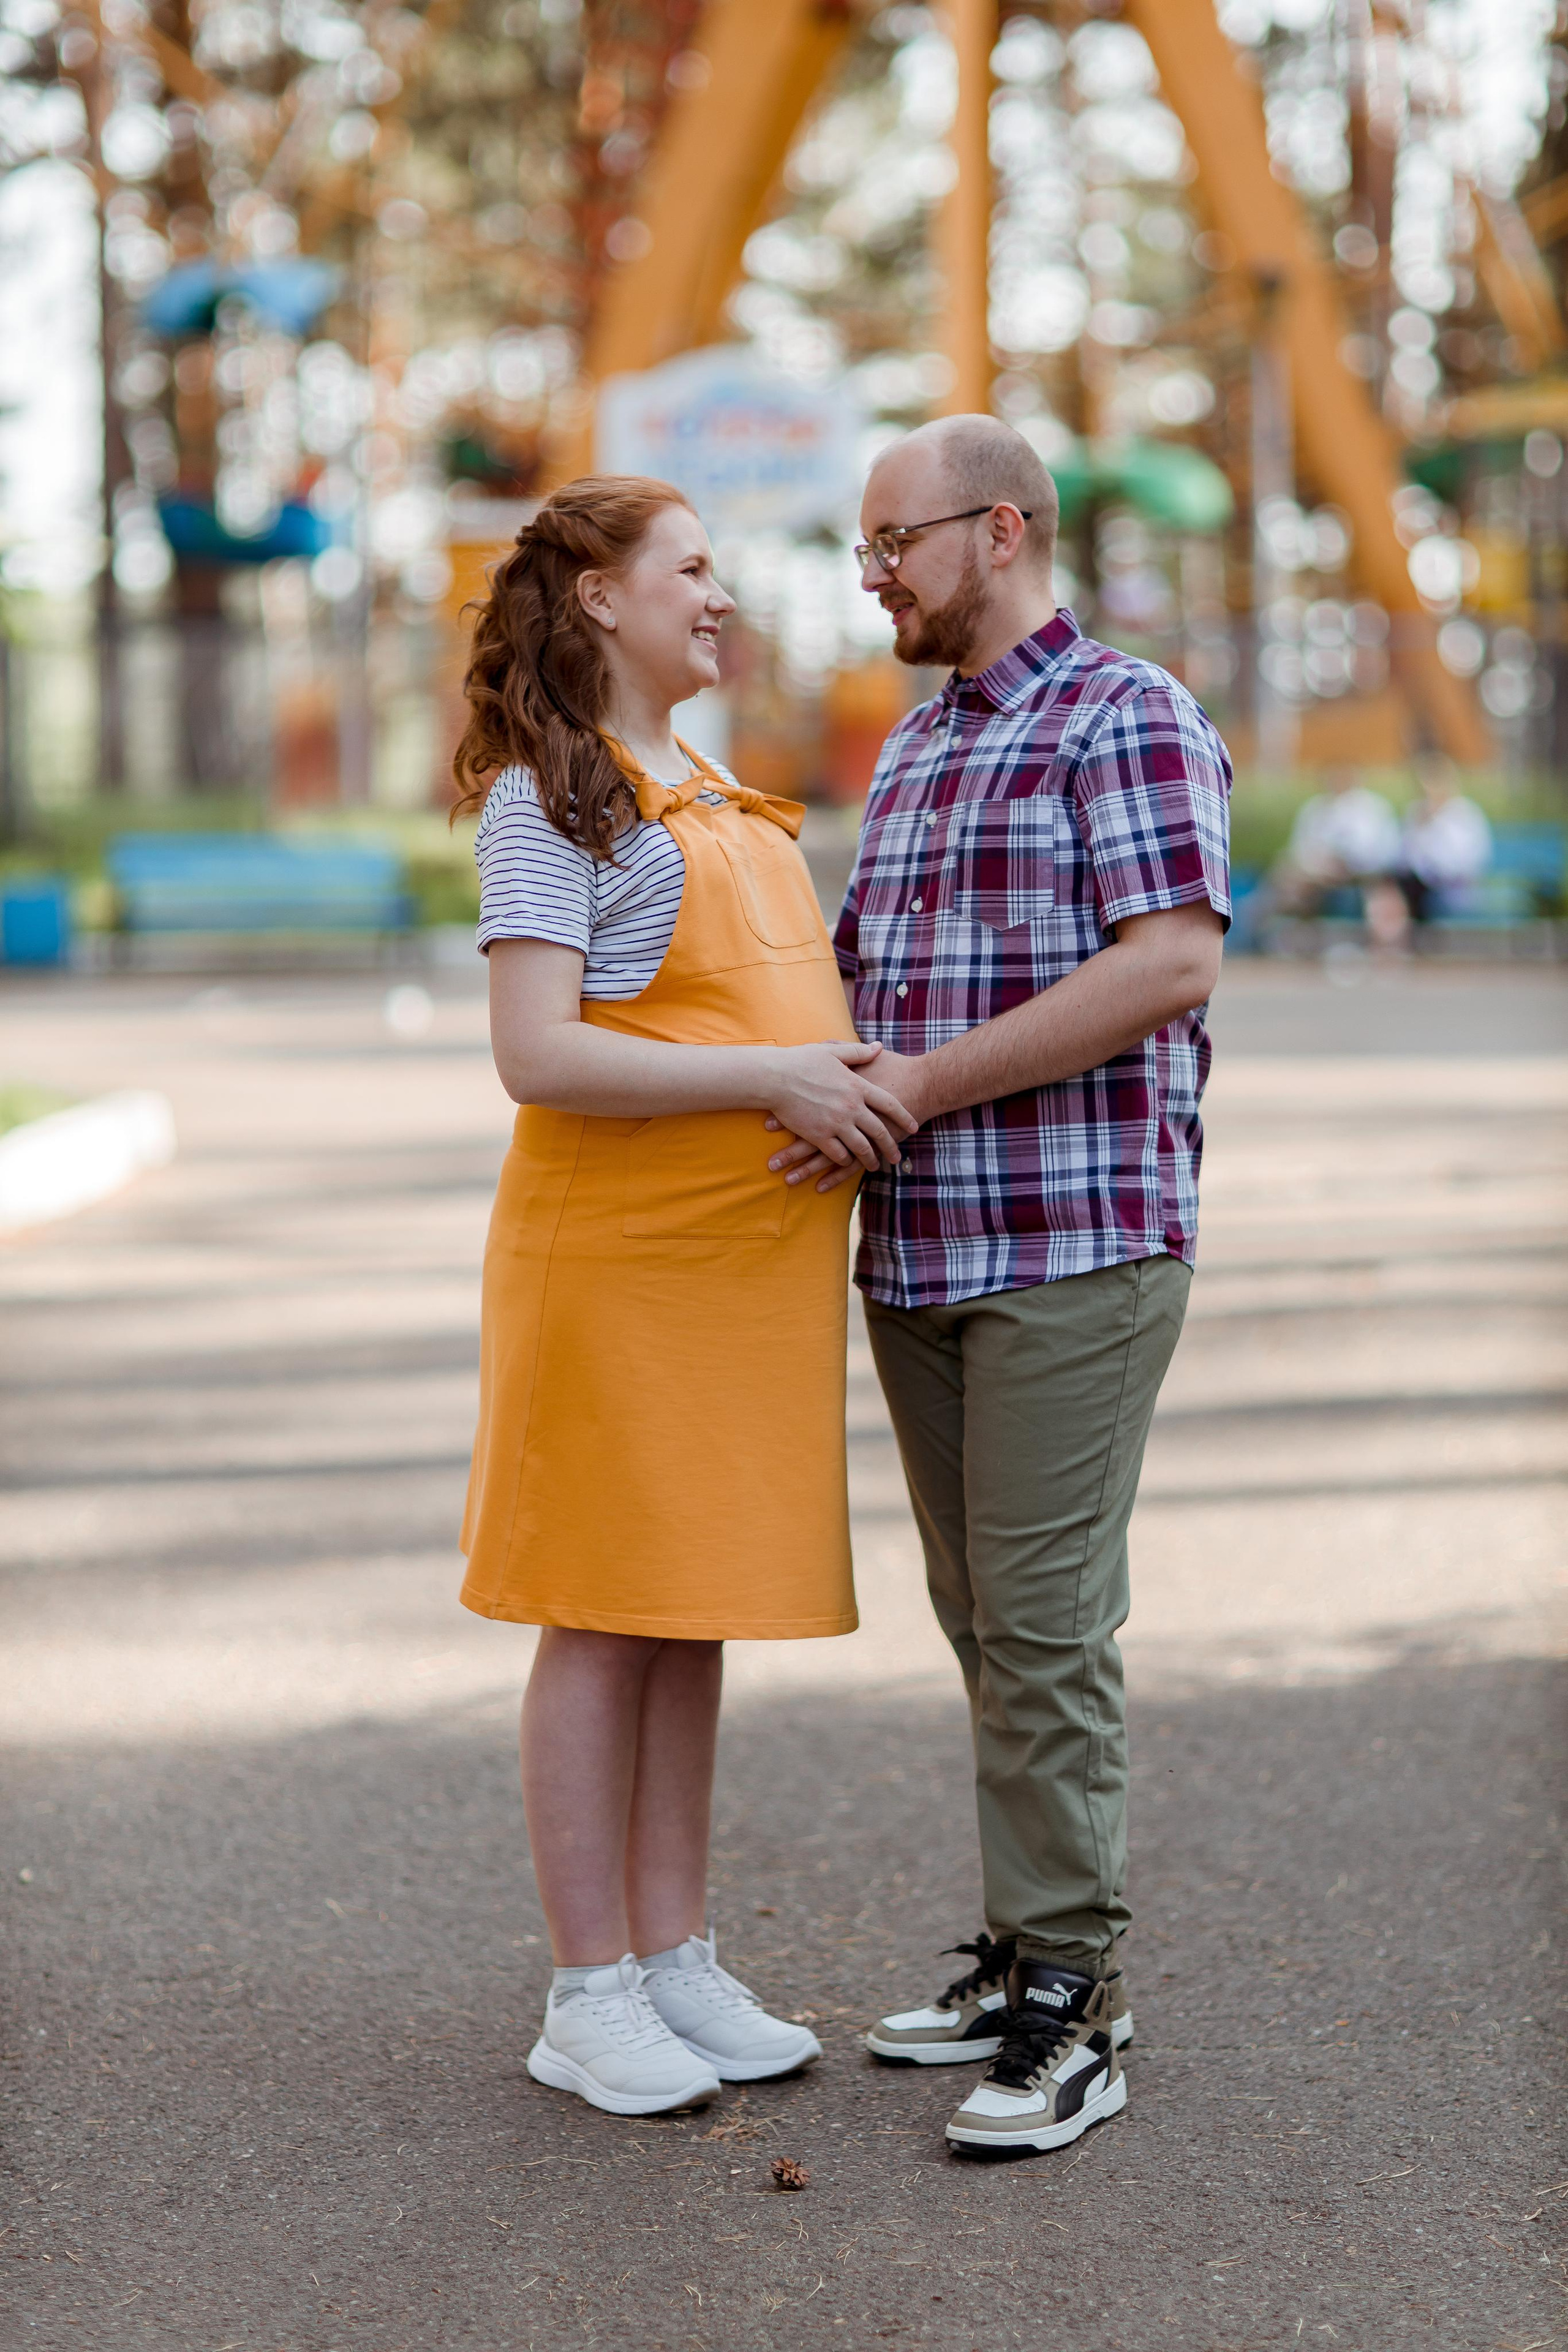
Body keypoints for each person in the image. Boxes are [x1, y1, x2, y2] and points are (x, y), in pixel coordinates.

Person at [767, 415, 1230, 2158]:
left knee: (1042, 1636)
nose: (871, 571)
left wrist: (913, 1088)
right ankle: (1028, 1947)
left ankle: (1079, 2006)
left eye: (895, 538)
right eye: (863, 543)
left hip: (1075, 1252)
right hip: (923, 1257)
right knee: (989, 1633)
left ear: (1006, 529)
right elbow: (852, 987)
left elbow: (1170, 961)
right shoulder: (913, 749)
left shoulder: (1130, 714)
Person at [453, 475, 918, 2117]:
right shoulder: (551, 799)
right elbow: (538, 1052)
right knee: (599, 1613)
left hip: (735, 1283)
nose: (722, 597)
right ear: (599, 597)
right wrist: (789, 1070)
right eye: (694, 569)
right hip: (620, 1275)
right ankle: (587, 1994)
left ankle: (672, 1958)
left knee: (688, 1604)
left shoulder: (712, 783)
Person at [1395, 751, 1492, 925]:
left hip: (1452, 888)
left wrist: (1436, 825)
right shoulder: (1416, 813)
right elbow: (1403, 858)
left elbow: (1466, 862)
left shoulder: (1465, 814)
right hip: (1416, 885)